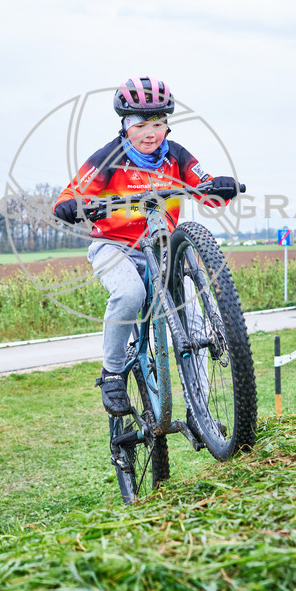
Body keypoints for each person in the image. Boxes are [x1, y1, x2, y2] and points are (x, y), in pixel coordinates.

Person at [53, 76, 239, 417]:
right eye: (140, 125)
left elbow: (206, 189)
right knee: (129, 295)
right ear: (125, 126)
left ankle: (202, 410)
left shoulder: (176, 157)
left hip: (162, 250)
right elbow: (72, 193)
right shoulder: (107, 158)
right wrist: (71, 205)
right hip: (114, 247)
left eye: (158, 124)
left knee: (194, 320)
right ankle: (111, 374)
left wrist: (218, 187)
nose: (150, 133)